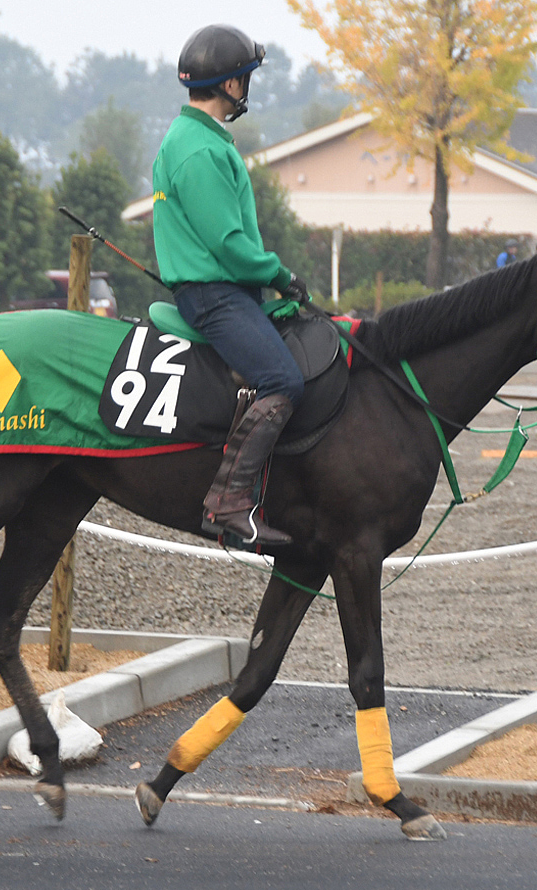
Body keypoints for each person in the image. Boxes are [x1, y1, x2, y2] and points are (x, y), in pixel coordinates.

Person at [152, 24, 308, 547]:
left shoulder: (200, 140)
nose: (248, 86)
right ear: (231, 86)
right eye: (245, 77)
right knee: (282, 379)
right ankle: (228, 504)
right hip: (216, 296)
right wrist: (281, 275)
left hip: (219, 291)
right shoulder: (199, 150)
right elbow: (229, 246)